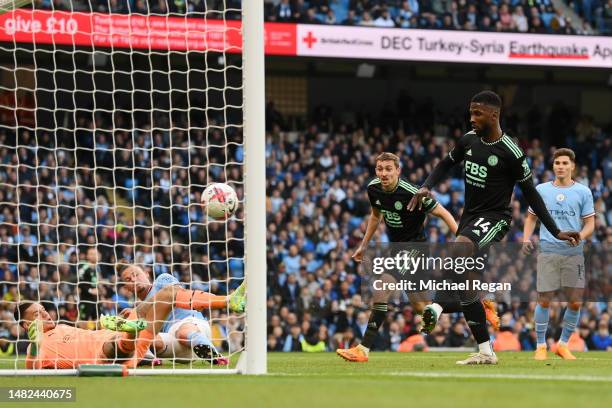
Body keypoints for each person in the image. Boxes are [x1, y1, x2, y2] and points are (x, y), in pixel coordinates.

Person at [408, 90, 580, 365]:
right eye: (470, 113)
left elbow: (531, 194)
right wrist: (427, 185)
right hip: (469, 217)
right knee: (467, 289)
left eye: (477, 113)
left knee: (459, 248)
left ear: (494, 115)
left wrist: (556, 230)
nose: (472, 118)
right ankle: (486, 351)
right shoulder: (468, 140)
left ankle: (437, 304)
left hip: (495, 219)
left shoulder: (511, 152)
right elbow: (445, 163)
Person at [336, 152, 459, 362]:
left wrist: (461, 240)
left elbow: (443, 213)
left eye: (388, 169)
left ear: (398, 171)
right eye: (380, 169)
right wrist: (364, 245)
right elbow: (376, 216)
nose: (383, 173)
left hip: (416, 249)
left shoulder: (413, 193)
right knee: (422, 308)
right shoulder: (373, 188)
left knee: (382, 286)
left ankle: (363, 349)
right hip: (396, 249)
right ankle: (475, 303)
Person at [15, 280, 245, 369]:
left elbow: (90, 336)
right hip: (113, 354)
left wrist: (122, 320)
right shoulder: (37, 347)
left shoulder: (62, 328)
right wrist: (35, 344)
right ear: (26, 325)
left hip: (123, 336)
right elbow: (31, 368)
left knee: (167, 290)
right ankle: (129, 337)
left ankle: (227, 300)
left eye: (44, 310)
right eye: (37, 314)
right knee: (111, 347)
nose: (45, 314)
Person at [523, 148, 594, 360]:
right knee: (544, 300)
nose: (560, 166)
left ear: (573, 166)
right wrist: (526, 238)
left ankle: (562, 345)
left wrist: (581, 235)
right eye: (557, 163)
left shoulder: (583, 192)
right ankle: (541, 346)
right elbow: (530, 218)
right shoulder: (542, 190)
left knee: (575, 302)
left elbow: (590, 223)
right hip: (548, 250)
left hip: (574, 253)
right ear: (553, 166)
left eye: (564, 163)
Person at [118, 263, 228, 364]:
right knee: (138, 336)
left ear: (146, 274)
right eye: (128, 279)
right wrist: (130, 319)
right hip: (177, 349)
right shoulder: (137, 310)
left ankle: (214, 355)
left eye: (136, 274)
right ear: (126, 288)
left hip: (192, 325)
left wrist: (140, 310)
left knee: (182, 333)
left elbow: (175, 292)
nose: (133, 279)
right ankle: (148, 359)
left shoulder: (162, 280)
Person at [77, 247, 101, 324]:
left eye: (96, 254)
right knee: (83, 322)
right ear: (87, 256)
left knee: (98, 321)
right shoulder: (84, 267)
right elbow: (80, 283)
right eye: (92, 254)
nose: (95, 256)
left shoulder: (96, 268)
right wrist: (90, 290)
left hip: (95, 299)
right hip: (85, 299)